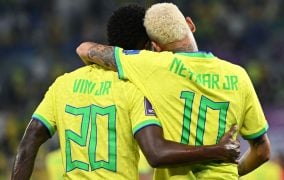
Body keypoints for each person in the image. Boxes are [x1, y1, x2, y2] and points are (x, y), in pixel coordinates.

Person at [11, 5, 241, 180]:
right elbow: (156, 153)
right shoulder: (135, 88)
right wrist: (216, 150)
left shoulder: (63, 84)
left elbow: (28, 143)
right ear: (146, 46)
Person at [76, 2, 271, 179]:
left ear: (155, 47)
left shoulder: (153, 65)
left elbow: (84, 49)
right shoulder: (238, 75)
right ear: (190, 24)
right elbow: (262, 151)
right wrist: (232, 172)